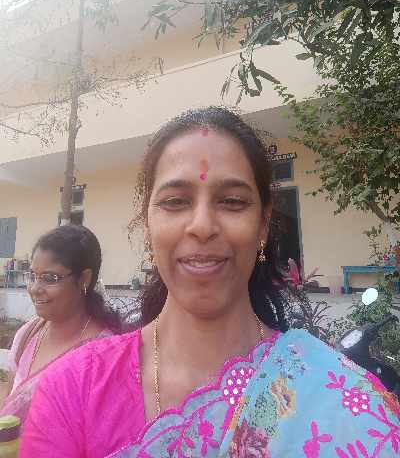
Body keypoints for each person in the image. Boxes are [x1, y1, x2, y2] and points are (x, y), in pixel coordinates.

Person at [20, 107, 399, 457]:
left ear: (263, 225)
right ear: (147, 224)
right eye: (175, 201)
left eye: (232, 201)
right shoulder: (73, 390)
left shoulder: (335, 397)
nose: (201, 226)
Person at [1, 224, 122, 425]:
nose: (35, 288)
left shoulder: (105, 355)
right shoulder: (28, 335)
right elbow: (9, 404)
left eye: (50, 278)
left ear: (84, 279)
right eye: (32, 276)